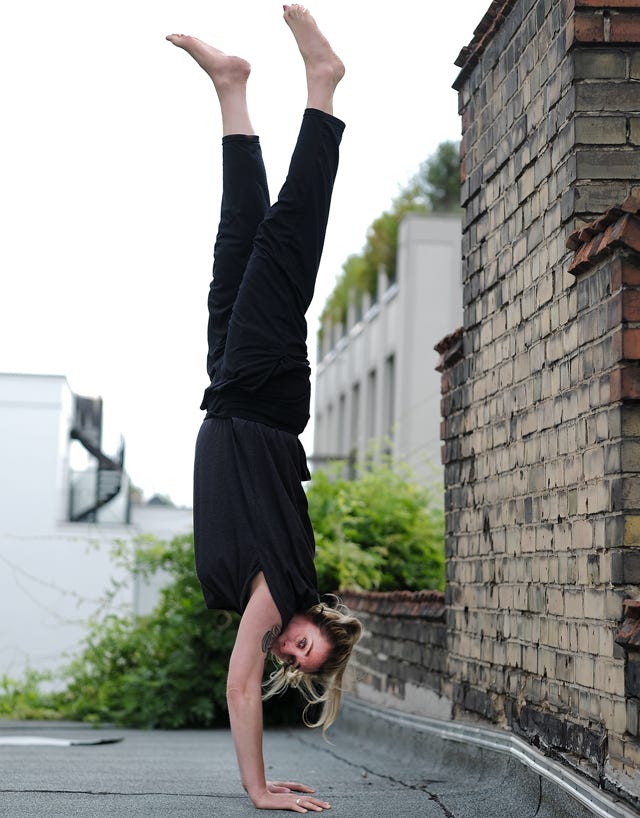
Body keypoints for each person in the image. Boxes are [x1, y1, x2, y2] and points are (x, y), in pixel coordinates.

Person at [167, 5, 363, 813]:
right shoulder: (284, 586)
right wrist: (259, 790)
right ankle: (323, 85)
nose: (288, 648)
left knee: (237, 243)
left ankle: (231, 87)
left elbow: (253, 677)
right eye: (307, 647)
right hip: (264, 394)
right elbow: (241, 687)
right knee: (287, 240)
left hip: (229, 392)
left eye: (293, 659)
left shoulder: (261, 590)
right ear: (323, 623)